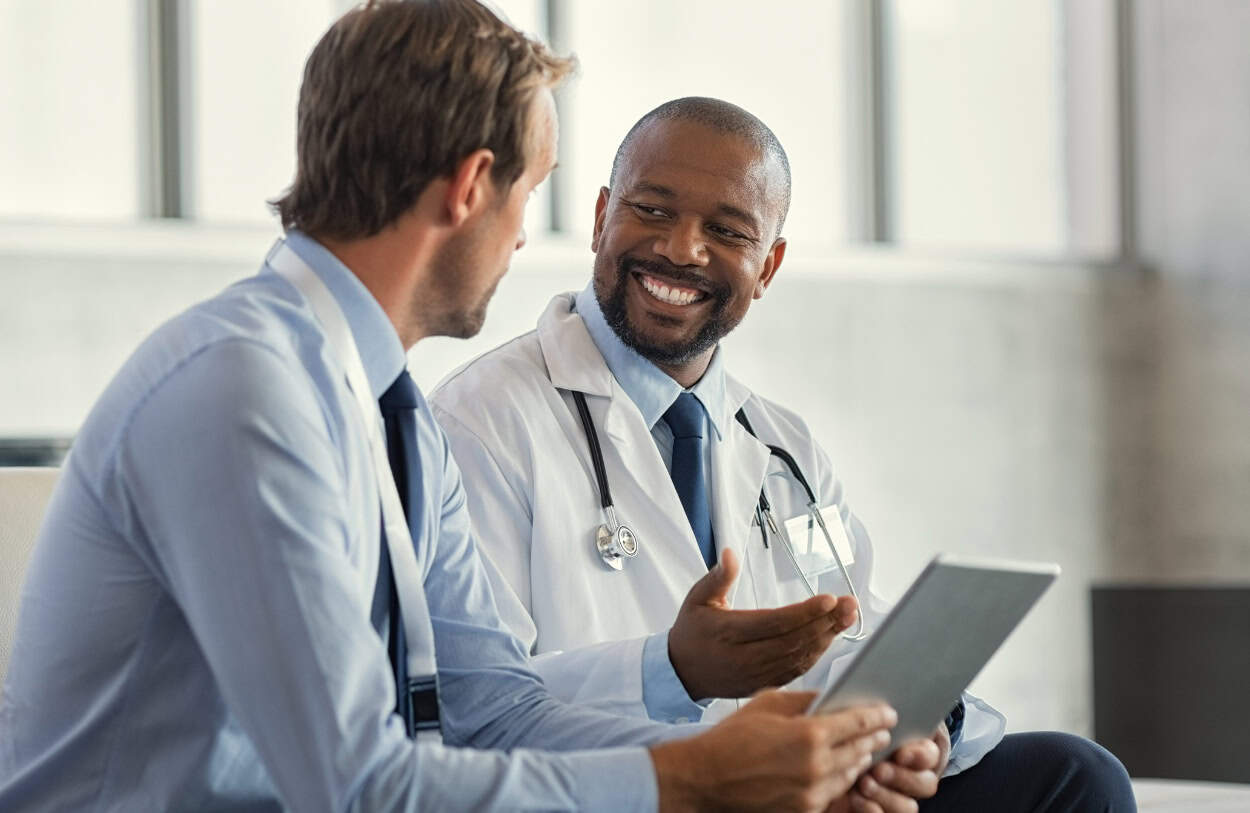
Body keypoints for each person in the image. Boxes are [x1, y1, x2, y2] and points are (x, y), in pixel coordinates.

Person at [0, 5, 903, 811]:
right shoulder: (244, 393)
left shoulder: (394, 419)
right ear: (473, 185)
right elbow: (359, 785)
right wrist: (699, 780)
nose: (522, 235)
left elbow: (492, 711)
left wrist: (756, 758)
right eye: (531, 191)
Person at [429, 97, 1137, 811]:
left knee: (1076, 778)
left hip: (800, 789)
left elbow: (851, 630)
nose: (681, 248)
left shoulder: (781, 449)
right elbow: (472, 705)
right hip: (639, 795)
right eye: (652, 210)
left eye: (726, 230)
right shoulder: (482, 421)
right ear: (600, 218)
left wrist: (919, 730)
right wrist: (671, 669)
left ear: (767, 266)